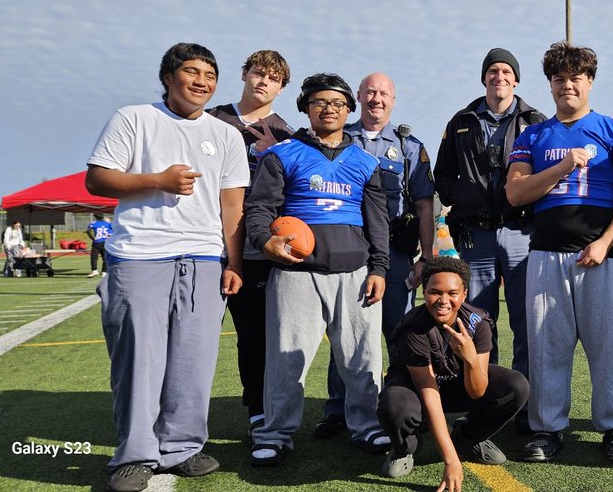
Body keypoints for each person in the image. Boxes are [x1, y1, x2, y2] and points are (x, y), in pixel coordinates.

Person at [85, 43, 248, 492]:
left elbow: (232, 206)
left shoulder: (226, 135)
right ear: (168, 78)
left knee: (193, 362)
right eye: (192, 72)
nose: (202, 82)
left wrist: (233, 262)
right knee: (139, 361)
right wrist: (158, 181)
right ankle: (135, 455)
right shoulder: (134, 118)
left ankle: (182, 447)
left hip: (204, 259)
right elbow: (97, 179)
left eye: (210, 75)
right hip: (140, 255)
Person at [505, 42, 613, 463]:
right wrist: (563, 166)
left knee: (608, 347)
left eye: (576, 78)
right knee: (547, 346)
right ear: (550, 85)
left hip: (602, 256)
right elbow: (515, 193)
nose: (567, 85)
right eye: (559, 78)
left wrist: (606, 242)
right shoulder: (533, 135)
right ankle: (547, 428)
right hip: (546, 254)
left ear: (590, 82)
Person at [244, 73, 390, 466]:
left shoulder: (366, 161)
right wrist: (264, 240)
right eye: (320, 102)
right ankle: (275, 433)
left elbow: (377, 222)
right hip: (296, 273)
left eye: (338, 103)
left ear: (349, 109)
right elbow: (259, 208)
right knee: (285, 358)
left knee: (362, 357)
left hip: (355, 272)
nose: (329, 109)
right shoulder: (282, 154)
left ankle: (366, 425)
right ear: (306, 108)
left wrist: (379, 268)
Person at [314, 72, 435, 447]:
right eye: (370, 92)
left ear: (393, 100)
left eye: (383, 93)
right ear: (358, 97)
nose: (376, 99)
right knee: (344, 330)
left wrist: (426, 258)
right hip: (349, 247)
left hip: (396, 252)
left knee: (400, 332)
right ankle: (338, 408)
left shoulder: (408, 145)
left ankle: (402, 405)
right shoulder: (337, 138)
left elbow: (424, 205)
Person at [434, 48, 546, 434]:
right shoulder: (461, 121)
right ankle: (484, 402)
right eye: (493, 71)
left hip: (520, 233)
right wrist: (463, 196)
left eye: (506, 71)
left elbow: (547, 173)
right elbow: (442, 174)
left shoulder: (535, 121)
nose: (499, 76)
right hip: (476, 234)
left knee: (527, 322)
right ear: (484, 78)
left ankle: (524, 406)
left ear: (516, 79)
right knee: (477, 322)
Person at [378, 257, 529, 490]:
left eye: (452, 293)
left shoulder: (478, 323)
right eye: (435, 292)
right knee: (395, 404)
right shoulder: (414, 329)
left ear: (464, 294)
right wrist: (451, 461)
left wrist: (470, 359)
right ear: (424, 291)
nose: (443, 300)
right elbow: (429, 393)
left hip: (455, 384)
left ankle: (469, 437)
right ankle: (404, 448)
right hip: (417, 389)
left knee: (516, 386)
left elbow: (477, 392)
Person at [207, 49, 294, 435]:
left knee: (254, 334)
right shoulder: (211, 119)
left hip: (256, 250)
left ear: (281, 88)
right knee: (193, 335)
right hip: (206, 243)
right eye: (259, 73)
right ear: (244, 74)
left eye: (273, 78)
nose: (263, 82)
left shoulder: (286, 134)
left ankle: (257, 405)